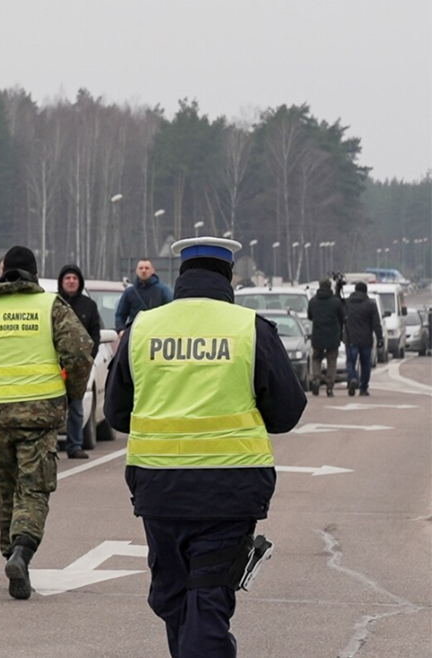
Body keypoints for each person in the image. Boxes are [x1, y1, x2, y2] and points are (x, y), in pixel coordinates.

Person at [104, 236, 306, 658]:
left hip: (159, 491)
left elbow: (117, 412)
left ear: (181, 277)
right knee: (208, 599)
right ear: (228, 277)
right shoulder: (249, 328)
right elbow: (287, 412)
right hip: (229, 492)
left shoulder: (142, 328)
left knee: (174, 600)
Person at [0, 246, 94, 600]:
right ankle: (22, 552)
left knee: (5, 488)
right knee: (32, 488)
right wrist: (72, 392)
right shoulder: (49, 306)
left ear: (3, 271)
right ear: (35, 273)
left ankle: (12, 560)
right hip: (38, 413)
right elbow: (80, 351)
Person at [57, 264, 101, 459]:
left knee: (76, 407)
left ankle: (74, 445)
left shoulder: (89, 306)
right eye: (67, 278)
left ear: (80, 282)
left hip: (79, 368)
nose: (71, 281)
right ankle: (49, 447)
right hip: (55, 366)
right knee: (52, 407)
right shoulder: (54, 304)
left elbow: (95, 336)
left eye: (74, 278)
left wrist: (87, 359)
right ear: (62, 282)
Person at [307, 277, 346, 397]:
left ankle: (316, 379)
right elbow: (343, 317)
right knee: (331, 360)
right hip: (332, 335)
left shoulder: (313, 301)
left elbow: (310, 316)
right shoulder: (336, 302)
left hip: (318, 333)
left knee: (316, 358)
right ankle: (329, 386)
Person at [344, 281, 384, 397]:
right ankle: (363, 388)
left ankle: (352, 377)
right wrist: (380, 338)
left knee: (351, 361)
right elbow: (376, 323)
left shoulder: (347, 303)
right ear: (365, 291)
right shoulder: (370, 304)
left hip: (351, 338)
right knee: (366, 364)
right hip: (366, 339)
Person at [114, 259, 172, 333]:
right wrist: (121, 330)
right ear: (136, 271)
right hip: (135, 334)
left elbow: (171, 311)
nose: (144, 270)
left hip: (157, 333)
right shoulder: (130, 292)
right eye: (141, 268)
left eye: (147, 268)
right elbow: (120, 315)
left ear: (153, 271)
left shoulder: (163, 290)